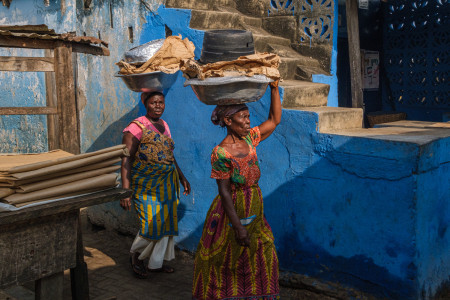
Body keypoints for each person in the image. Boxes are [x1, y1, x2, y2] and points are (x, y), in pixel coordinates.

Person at [192, 81, 281, 299]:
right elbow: (224, 192)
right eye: (243, 117)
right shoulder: (220, 153)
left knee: (262, 251)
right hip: (232, 209)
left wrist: (274, 88)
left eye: (248, 116)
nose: (248, 121)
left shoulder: (250, 139)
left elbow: (274, 120)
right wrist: (237, 225)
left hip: (254, 205)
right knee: (228, 256)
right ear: (228, 121)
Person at [121, 91, 190, 279]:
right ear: (146, 104)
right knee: (150, 224)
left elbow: (168, 154)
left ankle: (155, 263)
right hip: (146, 184)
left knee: (166, 223)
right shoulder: (136, 127)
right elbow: (126, 160)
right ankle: (135, 256)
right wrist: (125, 192)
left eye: (161, 102)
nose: (158, 106)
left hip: (167, 184)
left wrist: (181, 177)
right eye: (154, 103)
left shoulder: (164, 125)